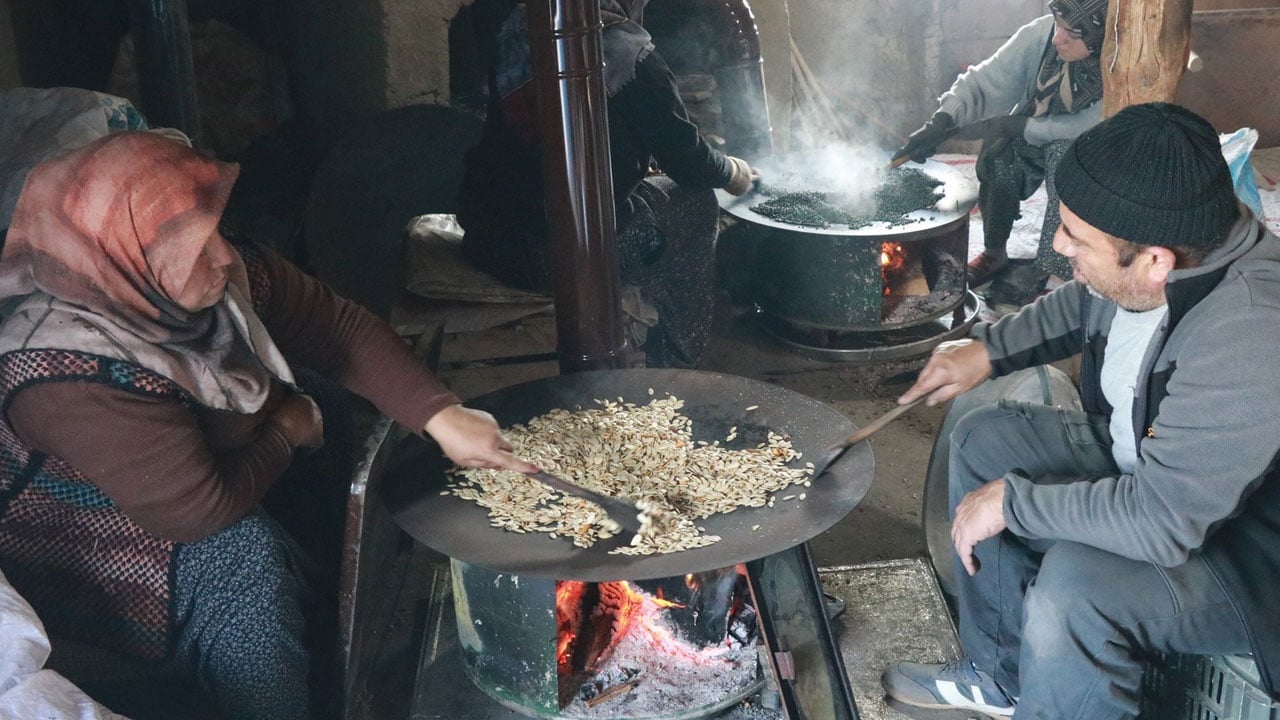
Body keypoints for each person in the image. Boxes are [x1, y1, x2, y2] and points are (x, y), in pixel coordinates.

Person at [0, 131, 538, 720]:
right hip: (96, 527)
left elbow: (336, 330)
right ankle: (273, 699)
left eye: (217, 232)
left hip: (196, 461)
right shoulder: (69, 375)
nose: (224, 258)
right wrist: (283, 431)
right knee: (242, 562)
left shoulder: (215, 273)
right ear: (124, 264)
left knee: (327, 399)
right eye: (194, 249)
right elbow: (192, 511)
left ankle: (332, 599)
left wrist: (443, 414)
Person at [880, 103, 1280, 718]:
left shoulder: (1252, 333)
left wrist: (1015, 502)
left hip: (1248, 556)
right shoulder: (1175, 246)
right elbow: (1086, 298)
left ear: (1155, 262)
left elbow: (1163, 522)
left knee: (1074, 587)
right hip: (1148, 459)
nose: (1060, 244)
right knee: (984, 439)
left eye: (1077, 238)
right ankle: (1003, 678)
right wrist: (989, 350)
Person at [457, 0, 757, 369]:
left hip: (485, 240)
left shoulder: (517, 28)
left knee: (648, 194)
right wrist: (732, 171)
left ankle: (644, 325)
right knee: (695, 205)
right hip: (555, 262)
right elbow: (689, 162)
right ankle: (677, 359)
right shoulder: (626, 54)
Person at [891, 0, 1109, 306]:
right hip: (1035, 130)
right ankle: (995, 253)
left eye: (1073, 33)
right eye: (1058, 24)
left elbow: (1090, 124)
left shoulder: (1117, 63)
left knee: (1066, 159)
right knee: (998, 156)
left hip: (1090, 152)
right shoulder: (1042, 36)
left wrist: (1020, 126)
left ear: (1099, 34)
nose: (1059, 37)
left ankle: (1059, 275)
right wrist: (942, 121)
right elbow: (986, 80)